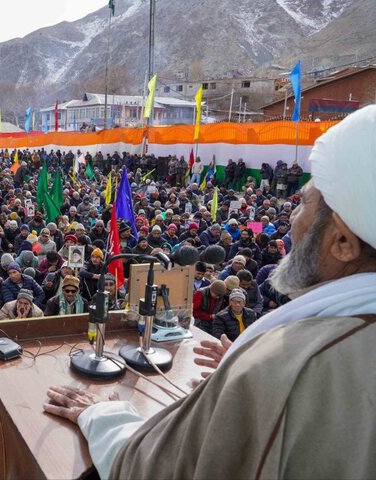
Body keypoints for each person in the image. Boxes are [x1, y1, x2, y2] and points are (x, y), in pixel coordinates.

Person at [42, 105, 376, 479]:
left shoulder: (291, 367)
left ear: (344, 242)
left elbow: (153, 469)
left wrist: (103, 416)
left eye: (302, 204)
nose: (293, 223)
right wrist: (246, 376)